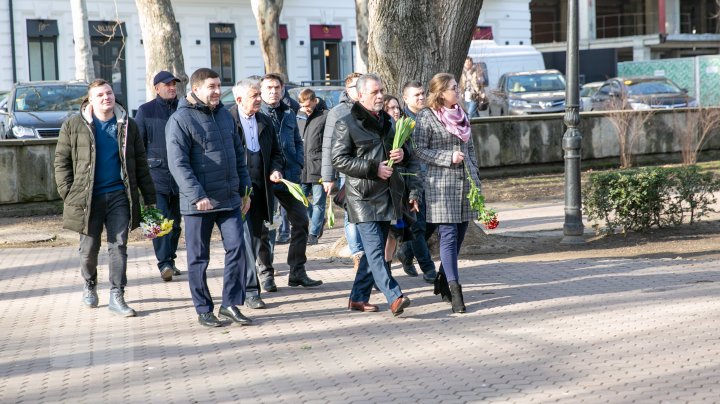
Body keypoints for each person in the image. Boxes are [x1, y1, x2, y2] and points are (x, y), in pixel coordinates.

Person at [54, 79, 156, 318]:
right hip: (86, 199)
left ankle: (117, 294)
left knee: (118, 246)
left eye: (109, 93)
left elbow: (140, 163)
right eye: (99, 95)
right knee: (88, 250)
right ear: (90, 100)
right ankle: (90, 283)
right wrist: (68, 193)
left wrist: (150, 198)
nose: (106, 98)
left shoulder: (127, 124)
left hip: (119, 195)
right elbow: (61, 162)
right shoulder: (73, 125)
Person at [166, 68, 253, 328]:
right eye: (211, 87)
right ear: (196, 89)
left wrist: (245, 192)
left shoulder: (225, 116)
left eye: (218, 86)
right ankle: (204, 308)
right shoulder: (180, 120)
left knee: (238, 249)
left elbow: (239, 156)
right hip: (199, 203)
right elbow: (178, 164)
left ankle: (230, 304)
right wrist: (197, 195)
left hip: (229, 199)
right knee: (198, 258)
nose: (217, 91)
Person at [332, 73, 411, 316]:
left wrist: (402, 155)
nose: (380, 96)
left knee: (370, 250)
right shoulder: (347, 123)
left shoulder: (387, 121)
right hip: (362, 196)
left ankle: (357, 298)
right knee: (376, 249)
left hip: (386, 194)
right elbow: (339, 159)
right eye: (375, 92)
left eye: (381, 91)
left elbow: (400, 150)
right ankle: (394, 296)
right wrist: (372, 168)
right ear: (361, 94)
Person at [412, 72, 482, 314]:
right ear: (441, 92)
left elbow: (471, 148)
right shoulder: (426, 117)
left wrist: (476, 176)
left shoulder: (462, 114)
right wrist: (446, 157)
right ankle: (455, 289)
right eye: (453, 88)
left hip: (465, 185)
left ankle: (442, 279)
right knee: (448, 236)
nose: (458, 91)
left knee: (460, 235)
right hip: (441, 186)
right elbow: (419, 150)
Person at [259, 73, 323, 291]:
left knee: (302, 221)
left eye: (277, 87)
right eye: (268, 88)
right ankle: (266, 273)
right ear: (261, 90)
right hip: (265, 179)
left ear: (283, 88)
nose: (273, 92)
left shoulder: (288, 111)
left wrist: (299, 161)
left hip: (290, 177)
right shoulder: (257, 113)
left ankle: (297, 271)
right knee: (266, 227)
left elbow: (296, 138)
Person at [227, 78, 284, 310]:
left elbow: (276, 152)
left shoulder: (265, 120)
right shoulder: (227, 120)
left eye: (259, 95)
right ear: (239, 99)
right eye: (255, 96)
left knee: (258, 235)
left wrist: (275, 169)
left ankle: (260, 277)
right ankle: (251, 291)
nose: (260, 99)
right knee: (245, 238)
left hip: (262, 187)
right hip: (238, 190)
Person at [134, 70, 183, 282]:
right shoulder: (146, 111)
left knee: (176, 223)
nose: (172, 87)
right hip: (156, 177)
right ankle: (163, 263)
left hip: (181, 177)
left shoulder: (184, 108)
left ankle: (170, 259)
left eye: (174, 84)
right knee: (158, 222)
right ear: (157, 88)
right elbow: (138, 146)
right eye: (167, 84)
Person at [395, 80, 438, 283]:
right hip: (413, 181)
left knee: (433, 222)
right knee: (418, 226)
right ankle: (428, 268)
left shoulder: (430, 116)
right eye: (416, 95)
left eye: (422, 94)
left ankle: (405, 251)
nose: (421, 98)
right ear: (405, 98)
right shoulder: (401, 121)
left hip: (433, 179)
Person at [321, 72, 364, 270]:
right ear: (348, 90)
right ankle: (358, 254)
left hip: (370, 171)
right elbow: (328, 146)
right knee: (351, 214)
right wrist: (328, 177)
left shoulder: (370, 108)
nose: (360, 89)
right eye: (356, 86)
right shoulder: (338, 112)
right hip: (348, 170)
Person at [297, 88, 329, 245]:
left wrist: (329, 170)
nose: (306, 109)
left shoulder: (325, 116)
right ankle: (318, 220)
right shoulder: (299, 116)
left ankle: (313, 234)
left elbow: (329, 144)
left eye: (308, 106)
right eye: (303, 106)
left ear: (315, 101)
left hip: (319, 166)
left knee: (318, 202)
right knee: (299, 198)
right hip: (302, 166)